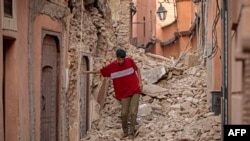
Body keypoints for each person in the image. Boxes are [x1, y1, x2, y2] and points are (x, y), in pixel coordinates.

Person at [81, 48, 142, 138]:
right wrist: (86, 72)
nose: (120, 61)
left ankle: (131, 133)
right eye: (119, 59)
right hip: (124, 93)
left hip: (135, 90)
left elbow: (138, 69)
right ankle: (125, 131)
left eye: (122, 59)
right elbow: (100, 71)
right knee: (124, 113)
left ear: (125, 58)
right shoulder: (112, 67)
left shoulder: (130, 61)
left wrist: (140, 82)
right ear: (116, 58)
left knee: (133, 112)